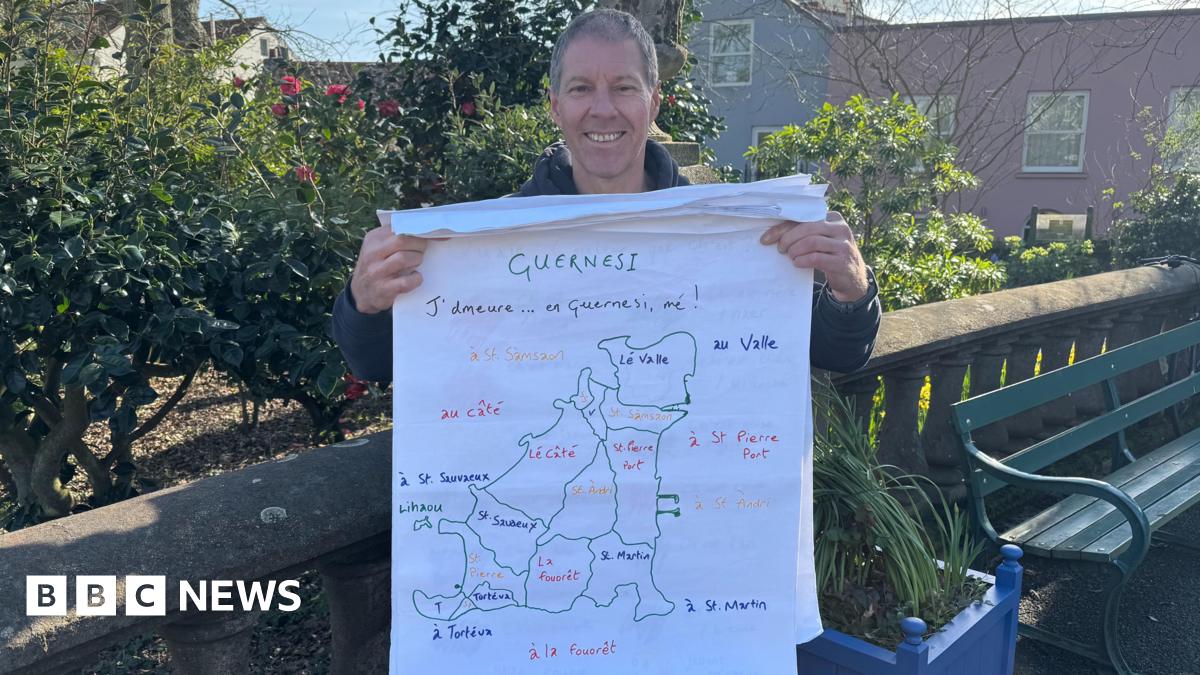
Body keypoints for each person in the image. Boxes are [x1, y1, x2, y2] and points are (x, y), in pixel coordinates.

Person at [333, 9, 880, 381]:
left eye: (623, 88)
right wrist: (365, 304)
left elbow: (838, 354)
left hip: (694, 528)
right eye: (580, 89)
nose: (602, 109)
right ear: (555, 106)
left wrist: (851, 291)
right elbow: (376, 365)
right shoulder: (489, 242)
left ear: (653, 102)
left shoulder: (734, 236)